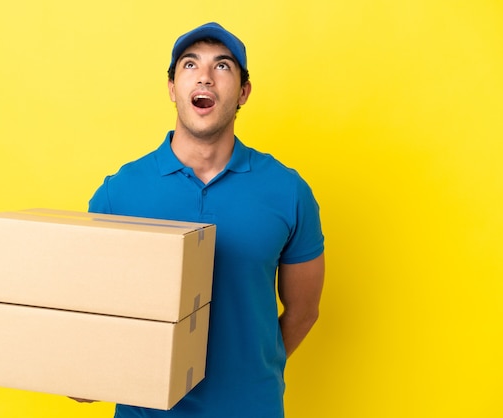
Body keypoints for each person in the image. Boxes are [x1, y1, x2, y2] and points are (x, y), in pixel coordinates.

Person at [85, 22, 325, 418]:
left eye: (223, 66)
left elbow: (304, 311)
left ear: (244, 92)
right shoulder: (119, 193)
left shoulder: (287, 191)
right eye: (190, 65)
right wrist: (89, 374)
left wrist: (252, 370)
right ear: (172, 87)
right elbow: (90, 311)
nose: (205, 76)